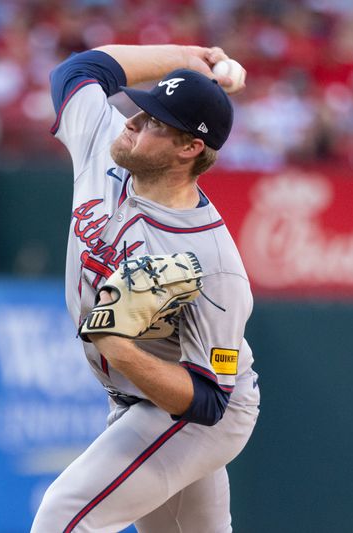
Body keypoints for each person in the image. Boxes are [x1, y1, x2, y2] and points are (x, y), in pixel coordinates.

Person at [31, 44, 260, 532]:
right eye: (141, 108)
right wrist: (185, 57)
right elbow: (79, 70)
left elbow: (207, 399)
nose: (132, 121)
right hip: (137, 399)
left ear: (189, 148)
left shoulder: (212, 263)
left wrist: (119, 348)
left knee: (64, 518)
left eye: (154, 121)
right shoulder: (108, 148)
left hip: (199, 415)